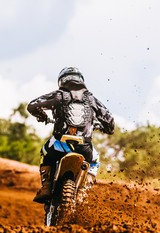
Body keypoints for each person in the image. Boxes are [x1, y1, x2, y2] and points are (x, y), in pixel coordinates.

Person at [27, 67, 115, 204]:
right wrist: (105, 128)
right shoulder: (91, 99)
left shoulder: (59, 95)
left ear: (62, 81)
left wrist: (42, 116)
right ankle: (83, 192)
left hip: (58, 145)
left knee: (45, 151)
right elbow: (110, 121)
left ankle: (46, 186)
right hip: (84, 148)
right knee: (95, 161)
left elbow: (32, 105)